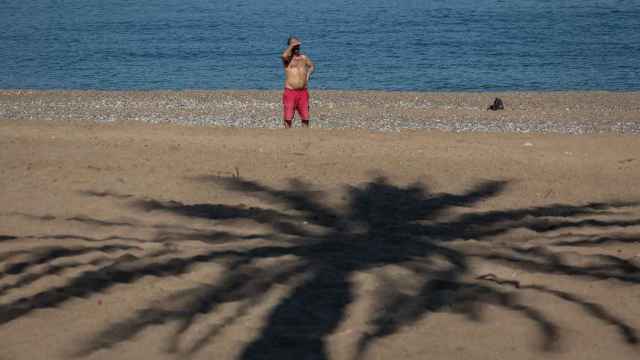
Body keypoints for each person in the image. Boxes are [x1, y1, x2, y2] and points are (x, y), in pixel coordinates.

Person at [281, 36, 315, 128]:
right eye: (294, 45)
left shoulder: (304, 58)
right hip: (290, 91)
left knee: (305, 117)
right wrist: (292, 46)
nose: (296, 47)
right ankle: (288, 135)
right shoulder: (288, 59)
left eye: (297, 46)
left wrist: (308, 74)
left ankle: (304, 135)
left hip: (303, 91)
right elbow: (283, 56)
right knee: (288, 117)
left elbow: (312, 66)